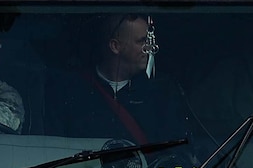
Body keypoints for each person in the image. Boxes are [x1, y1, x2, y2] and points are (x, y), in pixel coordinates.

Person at [48, 14, 187, 145]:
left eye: (151, 41)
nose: (151, 48)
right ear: (115, 46)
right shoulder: (71, 90)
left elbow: (176, 148)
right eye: (142, 41)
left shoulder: (161, 92)